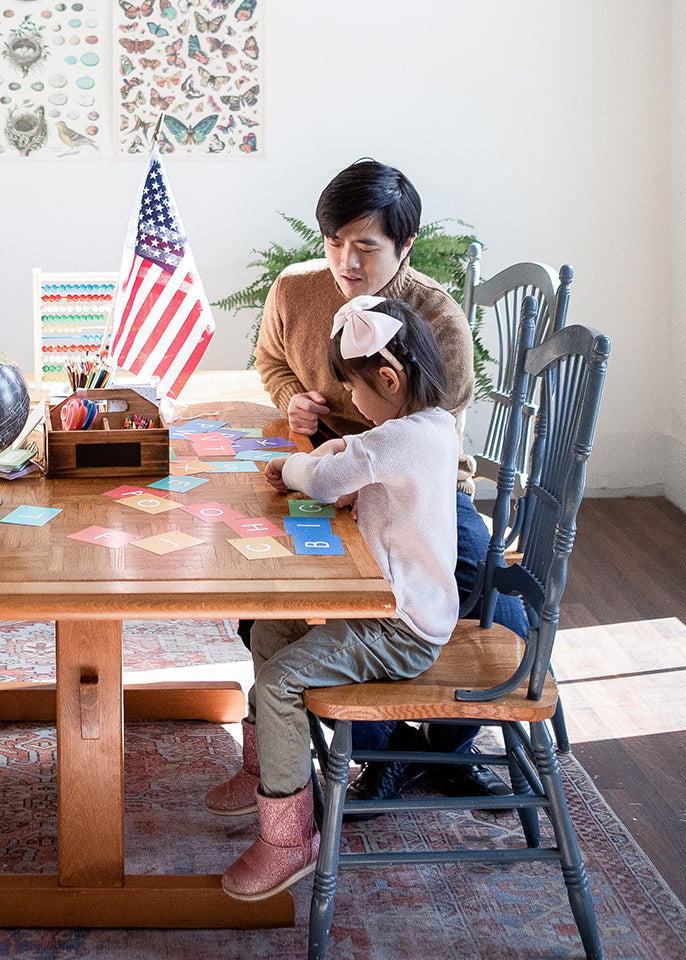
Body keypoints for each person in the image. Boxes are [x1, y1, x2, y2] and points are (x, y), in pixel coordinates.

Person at [215, 159, 525, 815]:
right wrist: (291, 398)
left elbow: (434, 438)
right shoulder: (295, 291)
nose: (346, 264)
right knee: (261, 585)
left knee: (478, 578)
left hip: (421, 489)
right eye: (334, 244)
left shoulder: (434, 319)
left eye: (366, 248)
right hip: (328, 470)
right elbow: (270, 360)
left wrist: (356, 477)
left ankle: (433, 748)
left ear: (405, 246)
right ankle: (356, 743)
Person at [221, 296, 459, 901]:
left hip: (401, 628)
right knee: (271, 633)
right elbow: (355, 468)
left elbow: (328, 476)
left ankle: (288, 839)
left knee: (279, 681)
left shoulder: (399, 438)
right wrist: (322, 464)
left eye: (354, 391)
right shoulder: (424, 429)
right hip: (387, 607)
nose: (350, 403)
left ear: (389, 378)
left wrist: (295, 471)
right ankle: (266, 765)